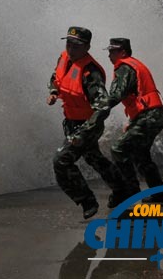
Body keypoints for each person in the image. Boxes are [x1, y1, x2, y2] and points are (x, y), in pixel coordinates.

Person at [48, 26, 128, 219]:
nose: (71, 48)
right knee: (93, 158)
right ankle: (122, 189)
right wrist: (53, 92)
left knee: (61, 161)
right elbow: (55, 78)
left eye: (76, 45)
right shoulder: (64, 58)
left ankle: (87, 200)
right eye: (68, 43)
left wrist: (84, 133)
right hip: (71, 122)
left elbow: (103, 107)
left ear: (87, 47)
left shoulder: (90, 73)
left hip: (88, 125)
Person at [92, 37, 163, 204]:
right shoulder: (133, 64)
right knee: (140, 155)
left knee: (118, 149)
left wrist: (97, 111)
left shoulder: (124, 67)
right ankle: (160, 195)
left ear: (123, 52)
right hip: (153, 115)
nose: (109, 55)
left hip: (149, 116)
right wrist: (132, 121)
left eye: (112, 51)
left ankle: (131, 192)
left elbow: (116, 95)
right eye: (109, 51)